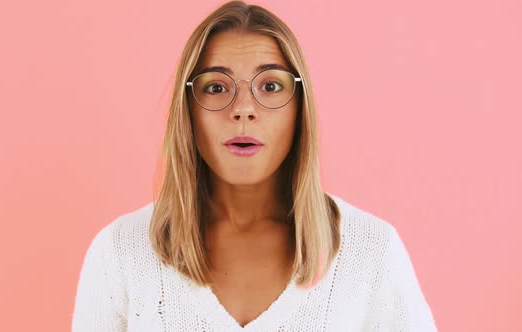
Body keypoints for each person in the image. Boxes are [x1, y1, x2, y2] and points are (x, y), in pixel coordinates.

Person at [72, 1, 437, 330]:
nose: (243, 108)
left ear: (299, 109)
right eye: (216, 87)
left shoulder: (372, 251)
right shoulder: (119, 252)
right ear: (188, 111)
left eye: (270, 86)